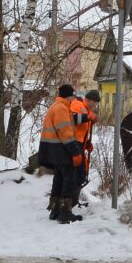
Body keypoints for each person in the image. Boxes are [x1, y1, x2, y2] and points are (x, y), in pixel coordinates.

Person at [40, 84, 82, 224]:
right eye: (72, 97)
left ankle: (55, 210)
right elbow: (65, 133)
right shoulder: (61, 108)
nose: (73, 100)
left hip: (53, 151)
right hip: (61, 151)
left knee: (58, 180)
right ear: (69, 96)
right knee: (68, 180)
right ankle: (65, 213)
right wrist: (75, 152)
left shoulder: (56, 106)